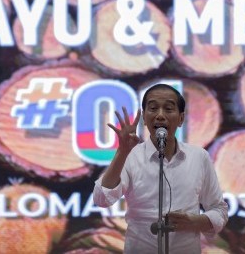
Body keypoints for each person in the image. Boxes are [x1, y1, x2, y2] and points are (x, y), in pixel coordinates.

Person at [93, 84, 228, 253]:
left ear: (181, 119)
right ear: (144, 117)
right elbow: (102, 199)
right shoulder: (131, 156)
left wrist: (196, 222)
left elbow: (219, 209)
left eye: (169, 109)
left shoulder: (198, 157)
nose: (160, 116)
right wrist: (122, 152)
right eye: (153, 108)